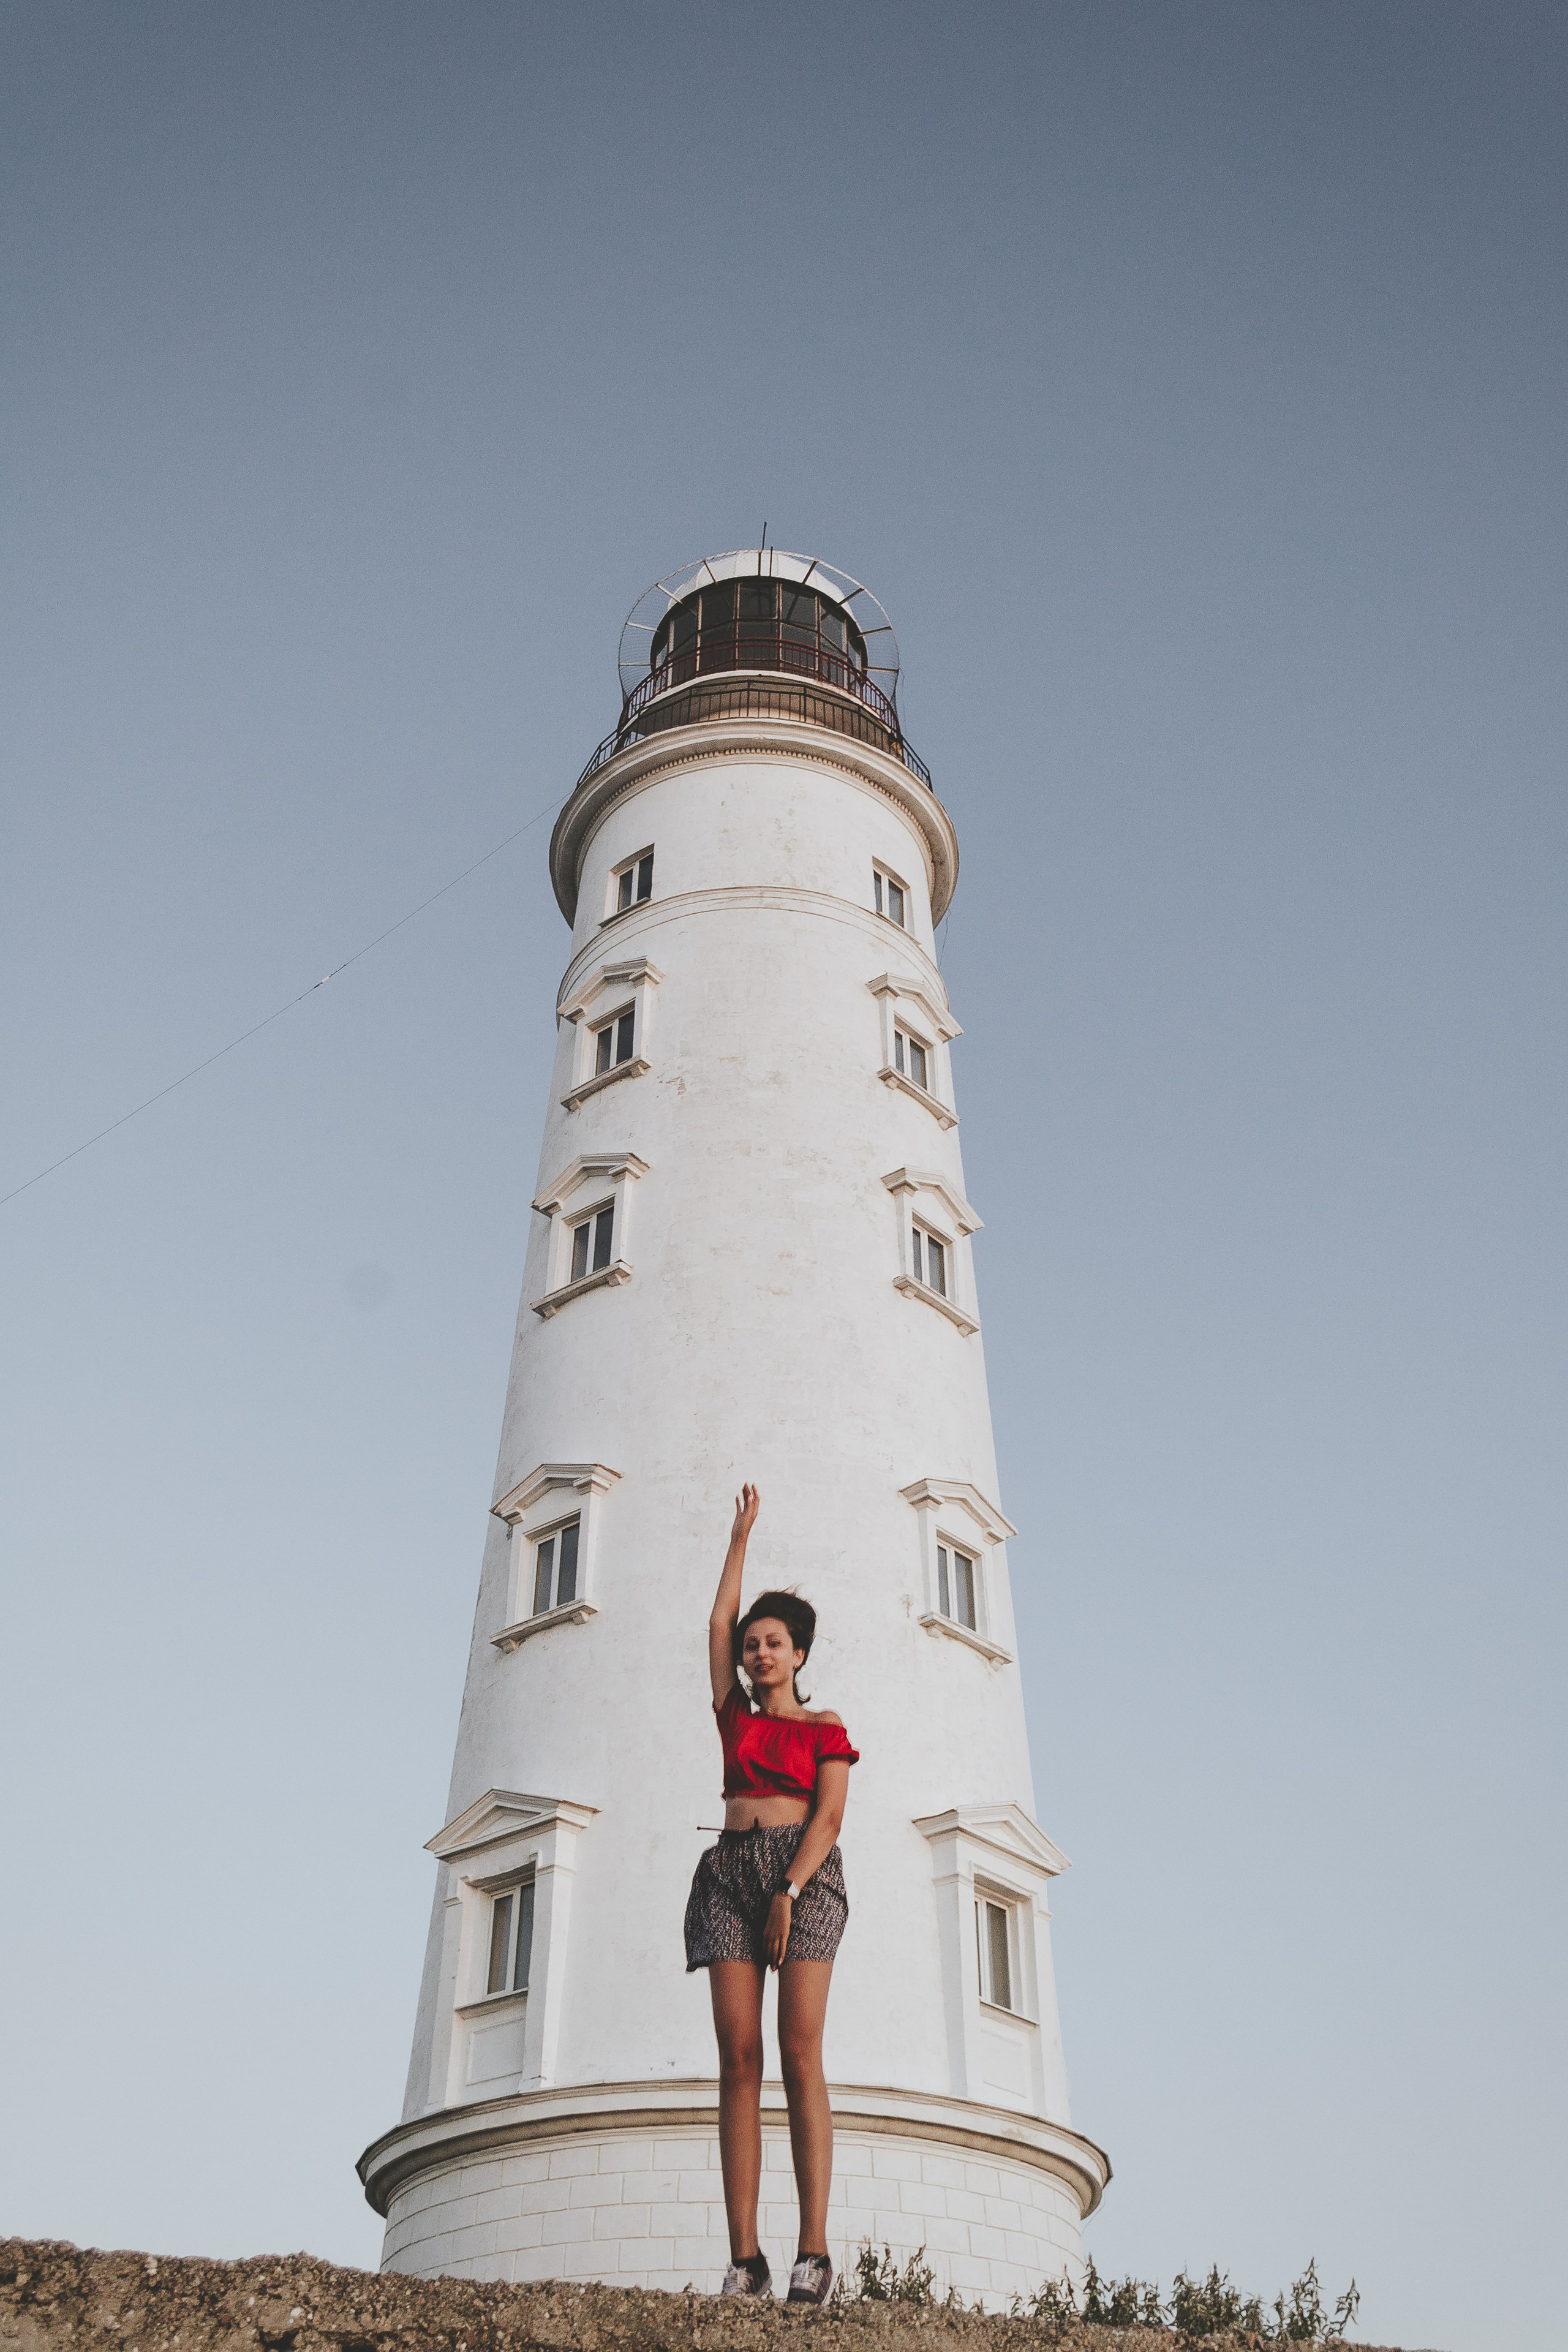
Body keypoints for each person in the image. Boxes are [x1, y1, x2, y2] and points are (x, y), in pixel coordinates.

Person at [683, 1483, 859, 2304]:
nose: (758, 1653)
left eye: (774, 1644)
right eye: (753, 1644)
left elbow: (829, 1819)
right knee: (738, 2057)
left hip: (804, 1875)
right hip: (729, 1871)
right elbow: (716, 1623)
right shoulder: (735, 1716)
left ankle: (812, 2253)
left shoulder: (825, 1729)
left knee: (798, 2051)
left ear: (800, 1655)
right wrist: (739, 1538)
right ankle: (744, 2258)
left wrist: (789, 1889)